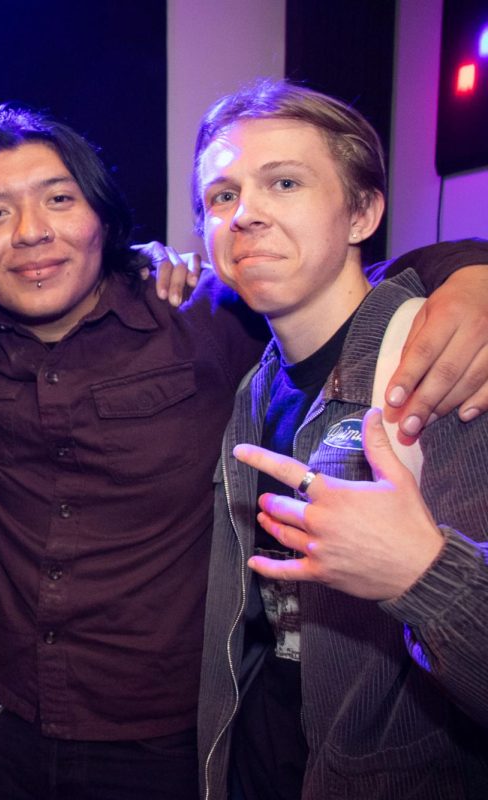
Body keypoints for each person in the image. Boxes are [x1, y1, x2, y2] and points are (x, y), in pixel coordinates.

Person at [0, 102, 488, 799]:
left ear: (102, 217)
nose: (32, 232)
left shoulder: (213, 318)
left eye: (59, 199)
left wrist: (470, 271)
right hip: (15, 726)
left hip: (175, 746)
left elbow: (349, 281)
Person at [194, 79, 488, 799]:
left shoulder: (442, 366)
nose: (245, 215)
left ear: (362, 212)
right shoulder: (257, 384)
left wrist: (423, 573)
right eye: (221, 196)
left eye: (284, 182)